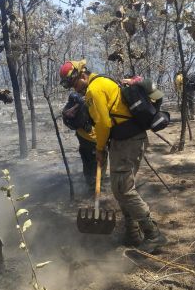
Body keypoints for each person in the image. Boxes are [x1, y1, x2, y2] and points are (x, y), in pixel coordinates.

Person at [59, 60, 167, 252]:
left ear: (83, 75)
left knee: (123, 190)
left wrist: (100, 149)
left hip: (127, 141)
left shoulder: (94, 89)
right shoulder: (101, 83)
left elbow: (103, 124)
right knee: (122, 187)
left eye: (74, 83)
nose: (74, 88)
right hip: (125, 140)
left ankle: (153, 234)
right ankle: (132, 233)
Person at [61, 90, 107, 190]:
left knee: (87, 160)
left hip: (82, 137)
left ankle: (89, 181)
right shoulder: (88, 103)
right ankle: (97, 184)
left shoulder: (74, 105)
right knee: (99, 160)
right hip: (93, 138)